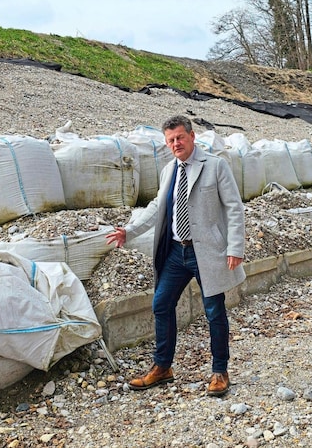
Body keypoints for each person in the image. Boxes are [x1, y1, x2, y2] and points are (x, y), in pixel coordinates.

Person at [105, 115, 245, 397]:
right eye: (170, 140)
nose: (175, 143)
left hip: (207, 251)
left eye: (180, 137)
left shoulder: (215, 166)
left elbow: (234, 207)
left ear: (192, 136)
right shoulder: (169, 170)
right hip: (176, 252)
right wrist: (129, 231)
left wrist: (235, 247)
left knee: (214, 311)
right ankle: (163, 367)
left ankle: (220, 371)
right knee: (161, 304)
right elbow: (158, 206)